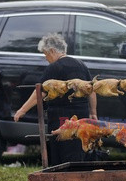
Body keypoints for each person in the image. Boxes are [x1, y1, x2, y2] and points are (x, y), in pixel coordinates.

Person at [13, 33, 97, 166]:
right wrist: (93, 113)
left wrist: (22, 110)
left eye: (46, 54)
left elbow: (39, 92)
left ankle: (63, 179)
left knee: (63, 150)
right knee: (79, 147)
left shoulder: (54, 67)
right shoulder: (81, 65)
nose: (46, 58)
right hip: (82, 116)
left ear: (52, 50)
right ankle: (79, 177)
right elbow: (92, 91)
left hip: (62, 117)